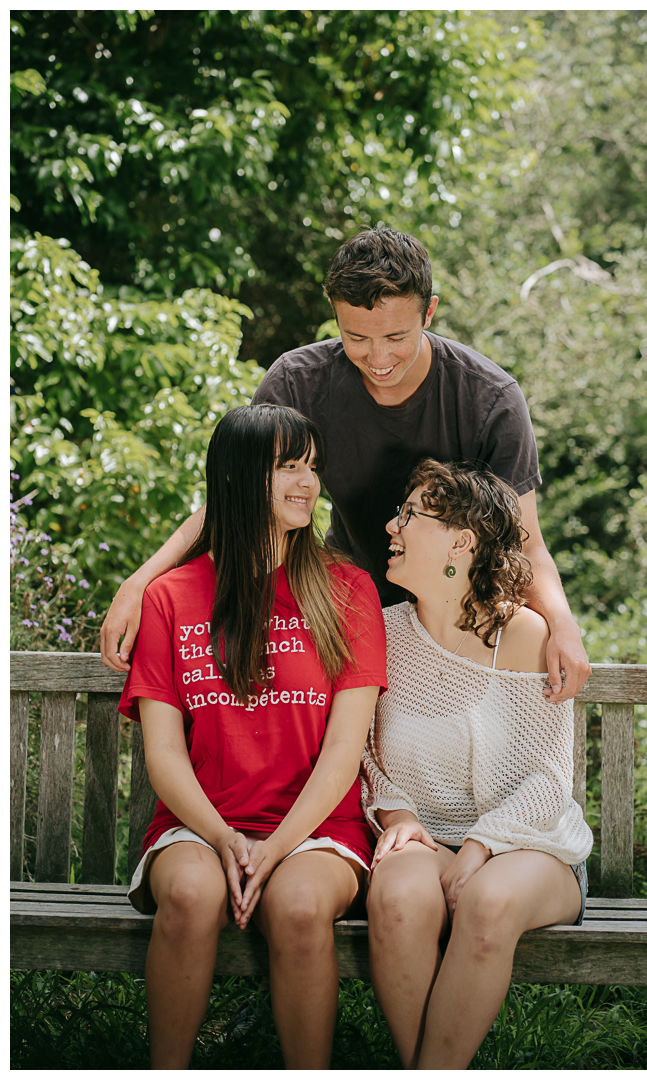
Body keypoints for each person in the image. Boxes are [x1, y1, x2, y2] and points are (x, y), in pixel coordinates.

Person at [101, 227, 589, 703]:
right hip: (342, 608)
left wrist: (561, 625)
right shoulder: (298, 383)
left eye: (396, 336)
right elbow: (237, 505)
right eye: (356, 337)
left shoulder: (490, 399)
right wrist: (140, 582)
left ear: (430, 312)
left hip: (459, 626)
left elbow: (524, 541)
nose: (378, 358)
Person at [118, 404, 386, 1070]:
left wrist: (275, 850)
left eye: (312, 467)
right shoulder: (172, 597)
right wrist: (223, 838)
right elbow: (164, 752)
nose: (308, 484)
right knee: (188, 893)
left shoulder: (348, 591)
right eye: (287, 467)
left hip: (319, 830)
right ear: (237, 480)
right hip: (199, 823)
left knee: (297, 905)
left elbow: (343, 754)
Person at [361, 458, 593, 1070]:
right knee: (399, 895)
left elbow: (548, 781)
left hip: (531, 849)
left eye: (409, 515)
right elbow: (361, 753)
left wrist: (481, 847)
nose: (391, 525)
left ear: (461, 541)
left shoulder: (525, 636)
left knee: (487, 902)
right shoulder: (381, 634)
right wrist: (400, 815)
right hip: (424, 836)